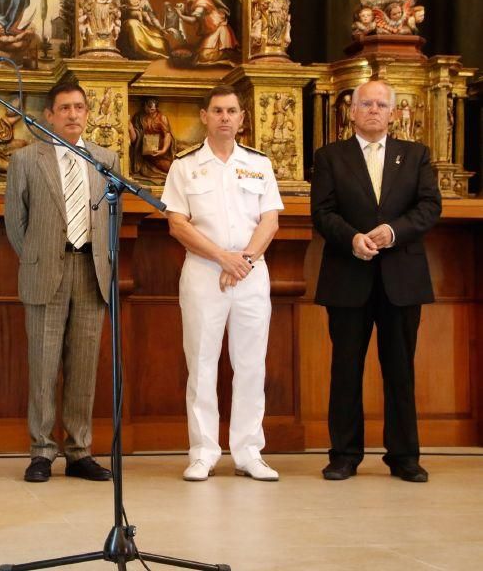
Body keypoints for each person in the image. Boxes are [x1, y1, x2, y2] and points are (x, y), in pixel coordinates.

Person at [310, 80, 441, 483]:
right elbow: (323, 211)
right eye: (365, 103)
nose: (373, 110)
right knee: (345, 368)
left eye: (381, 104)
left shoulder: (415, 155)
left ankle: (404, 456)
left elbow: (429, 206)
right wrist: (353, 237)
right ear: (350, 111)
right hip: (348, 274)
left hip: (402, 277)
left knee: (400, 370)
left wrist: (393, 232)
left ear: (393, 113)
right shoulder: (331, 156)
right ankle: (344, 455)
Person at [161, 85, 283, 482]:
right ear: (204, 116)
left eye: (232, 111)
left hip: (250, 271)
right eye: (218, 111)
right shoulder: (185, 165)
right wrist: (222, 257)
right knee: (201, 363)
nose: (225, 118)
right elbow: (177, 223)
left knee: (250, 364)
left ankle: (249, 452)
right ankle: (203, 451)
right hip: (203, 272)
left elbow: (270, 220)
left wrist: (244, 259)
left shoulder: (259, 164)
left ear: (243, 118)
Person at [4, 82, 116, 483]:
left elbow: (111, 220)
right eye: (65, 108)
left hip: (91, 271)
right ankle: (41, 451)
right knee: (44, 364)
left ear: (88, 113)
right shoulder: (27, 160)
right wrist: (37, 255)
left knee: (84, 366)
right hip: (46, 270)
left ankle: (79, 450)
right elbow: (15, 222)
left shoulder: (105, 159)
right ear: (48, 114)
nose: (73, 114)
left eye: (79, 107)